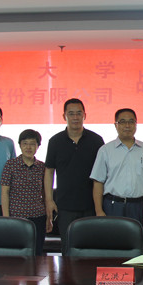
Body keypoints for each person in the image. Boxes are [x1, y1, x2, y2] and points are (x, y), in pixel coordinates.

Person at [44, 98, 104, 254]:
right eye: (71, 114)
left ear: (85, 115)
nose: (75, 117)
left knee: (91, 248)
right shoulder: (55, 141)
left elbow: (103, 174)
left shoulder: (96, 141)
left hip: (91, 205)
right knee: (68, 249)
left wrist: (100, 206)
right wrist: (49, 200)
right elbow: (49, 172)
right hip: (65, 206)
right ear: (64, 116)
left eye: (79, 113)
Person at [90, 108, 143, 231]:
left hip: (138, 206)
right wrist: (99, 210)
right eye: (122, 122)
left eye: (131, 122)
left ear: (136, 124)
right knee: (112, 241)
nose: (127, 125)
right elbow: (98, 182)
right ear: (116, 125)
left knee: (137, 240)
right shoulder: (105, 150)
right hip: (113, 206)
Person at [1, 129, 51, 256]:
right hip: (17, 217)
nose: (28, 147)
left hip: (38, 217)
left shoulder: (42, 167)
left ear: (38, 146)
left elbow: (46, 194)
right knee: (17, 254)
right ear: (20, 145)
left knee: (37, 253)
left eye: (32, 144)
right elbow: (5, 192)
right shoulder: (10, 165)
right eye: (25, 143)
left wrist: (48, 218)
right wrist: (6, 218)